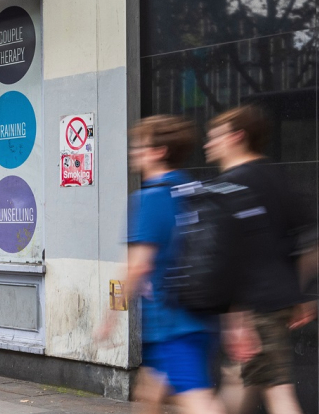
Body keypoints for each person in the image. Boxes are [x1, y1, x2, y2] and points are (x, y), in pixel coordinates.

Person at [97, 116, 222, 414]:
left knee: (199, 404)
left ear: (159, 151)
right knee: (148, 395)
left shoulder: (150, 198)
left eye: (139, 146)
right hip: (198, 315)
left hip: (170, 322)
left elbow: (136, 267)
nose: (133, 152)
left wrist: (110, 317)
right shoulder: (194, 190)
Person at [203, 105, 319, 414]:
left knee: (278, 393)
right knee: (239, 384)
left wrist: (236, 320)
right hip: (276, 303)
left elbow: (231, 259)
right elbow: (312, 241)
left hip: (254, 310)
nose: (208, 143)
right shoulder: (277, 177)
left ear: (237, 137)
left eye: (215, 136)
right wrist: (299, 292)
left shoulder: (227, 187)